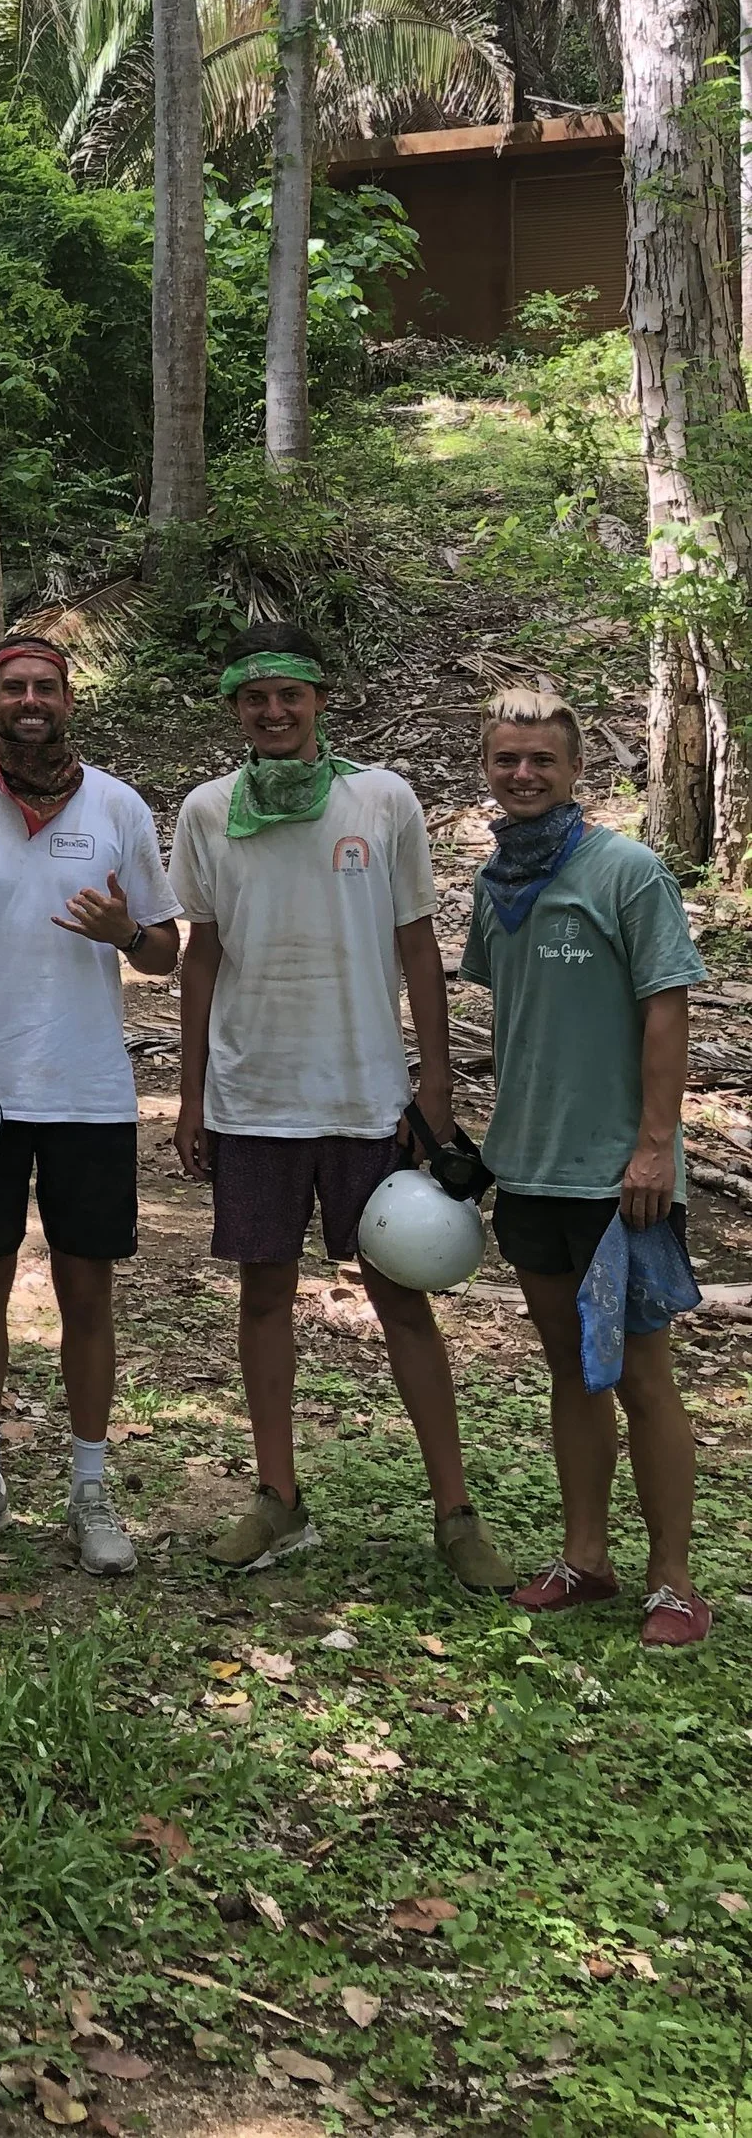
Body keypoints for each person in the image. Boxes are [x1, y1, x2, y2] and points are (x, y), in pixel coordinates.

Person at [169, 624, 511, 1587]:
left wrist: (434, 1082)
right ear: (235, 709)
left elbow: (417, 944)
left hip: (368, 1093)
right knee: (263, 1293)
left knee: (401, 1295)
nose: (274, 711)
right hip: (254, 1095)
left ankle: (456, 1512)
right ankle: (277, 1496)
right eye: (255, 698)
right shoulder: (207, 810)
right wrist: (190, 1093)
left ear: (320, 699)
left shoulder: (382, 798)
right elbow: (202, 955)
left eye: (291, 694)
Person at [0, 632, 179, 1576]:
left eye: (45, 686)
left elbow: (166, 950)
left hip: (89, 1088)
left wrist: (126, 930)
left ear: (68, 699)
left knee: (87, 1290)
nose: (29, 700)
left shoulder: (118, 806)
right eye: (13, 686)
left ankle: (90, 1487)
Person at [460, 686, 709, 1643]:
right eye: (506, 759)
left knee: (642, 1373)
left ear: (575, 771)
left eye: (542, 760)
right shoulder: (496, 884)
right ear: (487, 768)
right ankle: (586, 1558)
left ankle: (674, 1581)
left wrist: (654, 1145)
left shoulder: (627, 872)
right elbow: (517, 1020)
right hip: (529, 1166)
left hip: (618, 1175)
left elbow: (667, 1007)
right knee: (571, 1365)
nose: (523, 774)